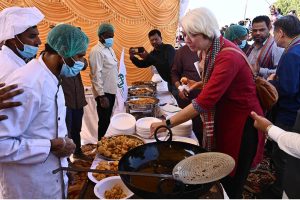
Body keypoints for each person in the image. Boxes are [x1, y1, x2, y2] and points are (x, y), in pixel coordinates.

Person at [150, 7, 263, 198]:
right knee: (221, 169)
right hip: (227, 120)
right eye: (185, 34)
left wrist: (165, 123)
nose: (186, 40)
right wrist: (198, 84)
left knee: (233, 179)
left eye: (192, 35)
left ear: (207, 31)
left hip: (242, 125)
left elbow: (203, 103)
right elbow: (216, 80)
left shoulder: (228, 55)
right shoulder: (213, 49)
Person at [0, 24, 89, 198]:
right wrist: (50, 146)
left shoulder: (52, 77)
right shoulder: (27, 83)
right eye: (79, 56)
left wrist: (63, 165)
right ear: (64, 52)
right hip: (29, 187)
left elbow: (48, 127)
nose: (81, 63)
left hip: (50, 177)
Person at [261, 15, 300, 198]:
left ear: (281, 32)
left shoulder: (292, 54)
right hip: (294, 111)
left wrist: (271, 84)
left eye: (273, 33)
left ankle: (279, 191)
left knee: (282, 153)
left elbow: (288, 89)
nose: (273, 38)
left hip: (289, 113)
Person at [251, 111, 300, 199]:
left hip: (288, 120)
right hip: (287, 119)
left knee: (283, 160)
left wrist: (269, 128)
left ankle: (277, 190)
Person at [89, 23, 118, 140]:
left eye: (112, 36)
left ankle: (107, 144)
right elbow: (95, 75)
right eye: (108, 36)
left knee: (108, 120)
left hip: (111, 90)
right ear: (101, 36)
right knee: (104, 122)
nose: (111, 38)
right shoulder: (96, 51)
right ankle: (101, 147)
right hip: (104, 93)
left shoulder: (109, 49)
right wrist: (101, 96)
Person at [0, 7, 44, 82]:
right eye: (32, 36)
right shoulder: (11, 70)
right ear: (12, 39)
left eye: (37, 36)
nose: (39, 42)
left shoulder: (14, 60)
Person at [171, 45, 203, 143]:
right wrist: (180, 88)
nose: (189, 39)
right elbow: (174, 73)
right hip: (189, 98)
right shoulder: (182, 51)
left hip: (209, 100)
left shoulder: (210, 51)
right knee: (190, 132)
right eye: (185, 35)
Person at [129, 29, 176, 93]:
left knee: (178, 102)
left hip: (177, 82)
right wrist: (133, 58)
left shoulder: (168, 48)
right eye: (151, 40)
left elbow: (167, 65)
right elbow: (142, 64)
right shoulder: (153, 53)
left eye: (156, 39)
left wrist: (148, 57)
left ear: (161, 38)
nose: (154, 42)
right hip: (169, 82)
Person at [61, 58, 89, 160]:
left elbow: (85, 64)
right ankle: (66, 159)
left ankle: (78, 151)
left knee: (77, 129)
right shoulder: (57, 60)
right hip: (65, 102)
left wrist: (76, 58)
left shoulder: (75, 58)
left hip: (78, 100)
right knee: (66, 131)